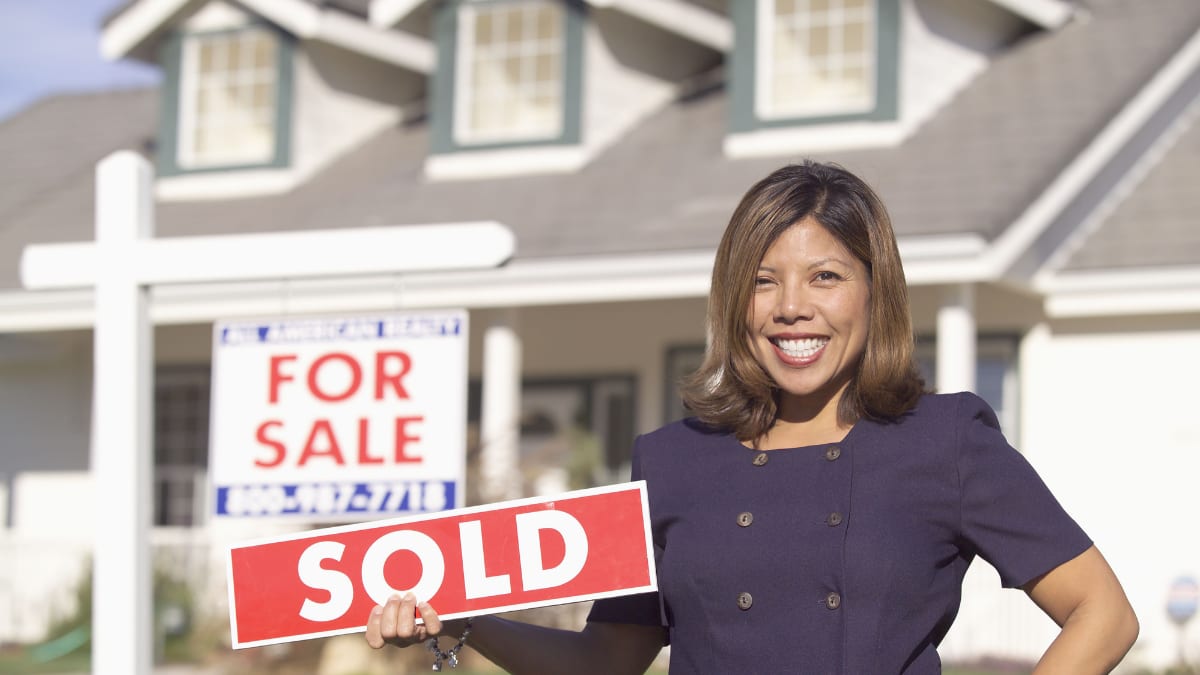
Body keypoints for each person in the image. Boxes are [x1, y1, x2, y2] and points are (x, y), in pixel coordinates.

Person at [365, 161, 1139, 673]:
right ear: (735, 300)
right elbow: (608, 659)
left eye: (826, 276)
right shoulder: (672, 460)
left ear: (876, 292)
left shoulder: (946, 441)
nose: (792, 307)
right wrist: (459, 622)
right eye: (764, 281)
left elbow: (1102, 612)